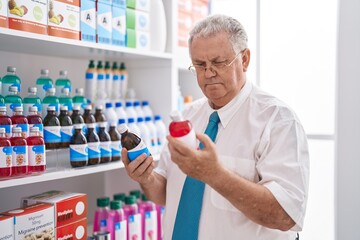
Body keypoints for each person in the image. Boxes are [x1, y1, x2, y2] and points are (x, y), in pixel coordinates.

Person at [121, 14, 309, 240]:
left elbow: (285, 215)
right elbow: (166, 193)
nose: (208, 74)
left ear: (245, 59)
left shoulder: (278, 121)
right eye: (200, 65)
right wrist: (146, 178)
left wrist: (215, 175)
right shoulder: (187, 116)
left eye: (219, 63)